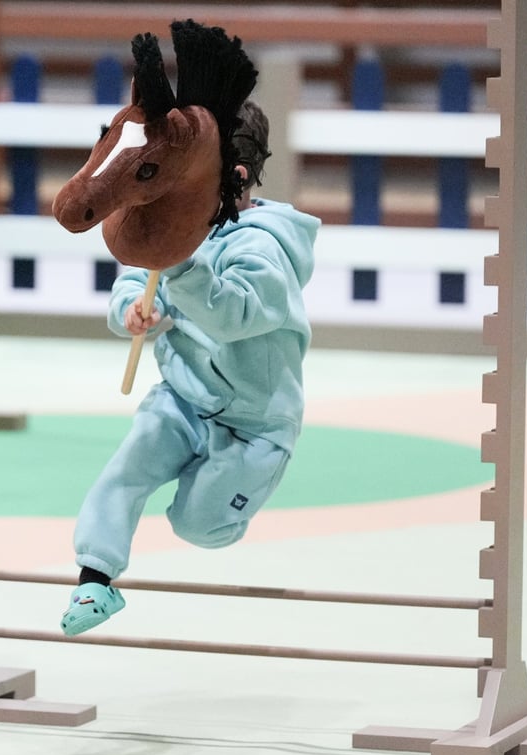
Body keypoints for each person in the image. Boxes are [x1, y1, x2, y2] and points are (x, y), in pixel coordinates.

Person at [60, 101, 320, 636]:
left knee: (199, 526)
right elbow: (137, 281)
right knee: (124, 472)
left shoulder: (264, 245)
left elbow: (234, 316)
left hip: (254, 422)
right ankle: (96, 578)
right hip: (181, 398)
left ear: (234, 177)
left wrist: (178, 261)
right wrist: (133, 311)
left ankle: (228, 499)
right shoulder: (176, 227)